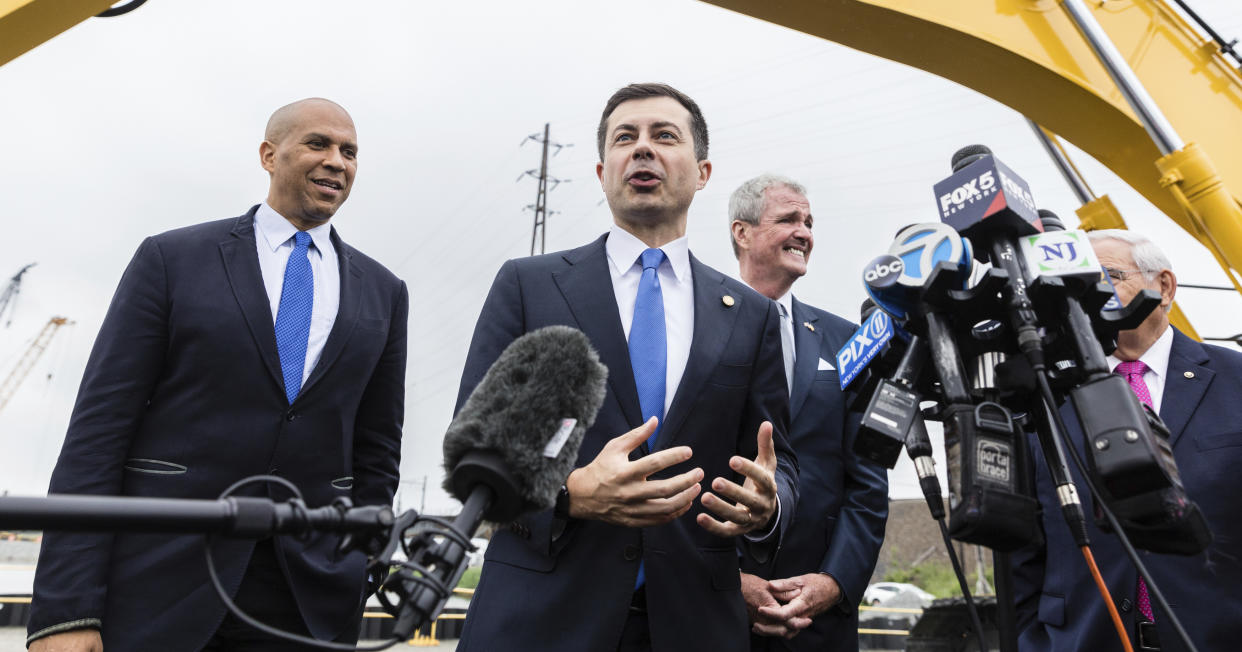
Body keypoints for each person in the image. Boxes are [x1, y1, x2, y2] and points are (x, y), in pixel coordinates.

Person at [27, 98, 408, 651]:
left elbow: (378, 452)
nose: (337, 162)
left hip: (306, 604)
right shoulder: (171, 260)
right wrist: (66, 611)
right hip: (161, 588)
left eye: (349, 152)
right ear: (268, 154)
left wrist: (359, 564)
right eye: (318, 144)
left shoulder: (384, 292)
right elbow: (98, 434)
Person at [454, 83, 797, 652]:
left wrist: (769, 504)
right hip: (540, 619)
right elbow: (473, 451)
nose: (643, 150)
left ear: (704, 171)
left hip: (694, 623)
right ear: (601, 170)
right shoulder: (528, 286)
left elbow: (780, 461)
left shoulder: (751, 317)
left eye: (665, 136)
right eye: (625, 138)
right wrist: (568, 493)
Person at [1012, 229, 1242, 652]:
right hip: (1081, 638)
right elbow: (1023, 549)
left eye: (1108, 275)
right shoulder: (1041, 397)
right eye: (1073, 285)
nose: (1087, 296)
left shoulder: (1236, 380)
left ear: (1165, 286)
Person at [729, 175, 888, 650]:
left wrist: (835, 582)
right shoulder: (698, 328)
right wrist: (725, 578)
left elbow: (868, 481)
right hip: (715, 607)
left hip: (818, 621)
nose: (804, 233)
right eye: (788, 219)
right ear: (742, 232)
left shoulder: (849, 341)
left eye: (809, 222)